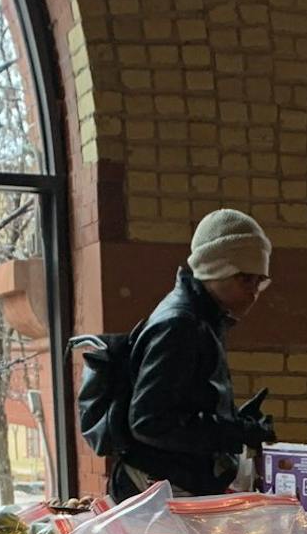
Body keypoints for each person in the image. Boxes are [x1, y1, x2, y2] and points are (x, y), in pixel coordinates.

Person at [115, 207, 275, 500]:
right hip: (162, 487)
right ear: (216, 269)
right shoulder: (181, 325)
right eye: (245, 279)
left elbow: (183, 405)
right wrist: (233, 431)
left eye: (259, 282)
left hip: (174, 481)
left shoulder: (202, 319)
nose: (253, 292)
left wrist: (233, 419)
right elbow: (150, 422)